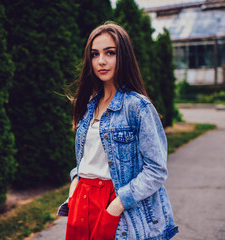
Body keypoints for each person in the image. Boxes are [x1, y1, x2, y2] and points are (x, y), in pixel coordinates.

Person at [57, 22, 178, 240]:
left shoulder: (138, 106)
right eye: (95, 54)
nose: (101, 61)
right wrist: (75, 181)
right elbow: (89, 157)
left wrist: (118, 204)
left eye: (110, 53)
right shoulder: (89, 104)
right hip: (82, 201)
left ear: (123, 57)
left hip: (114, 203)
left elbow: (156, 169)